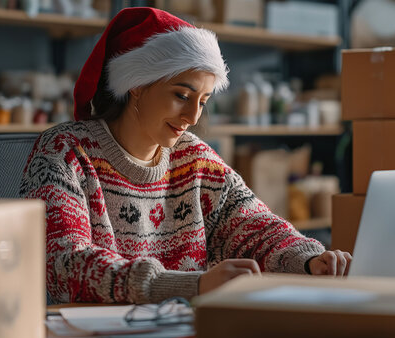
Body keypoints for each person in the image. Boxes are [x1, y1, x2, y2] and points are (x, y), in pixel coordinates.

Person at [20, 7, 352, 304]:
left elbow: (253, 225)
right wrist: (187, 285)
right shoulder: (65, 152)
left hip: (183, 331)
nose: (193, 117)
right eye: (182, 95)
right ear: (137, 83)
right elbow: (65, 264)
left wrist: (308, 259)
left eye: (203, 101)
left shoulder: (194, 158)